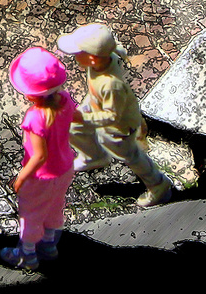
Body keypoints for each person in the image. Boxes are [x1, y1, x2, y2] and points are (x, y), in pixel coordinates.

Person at [59, 22, 174, 208]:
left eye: (78, 53)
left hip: (119, 128)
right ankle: (94, 156)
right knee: (74, 128)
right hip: (98, 106)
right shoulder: (102, 62)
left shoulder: (111, 85)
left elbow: (113, 116)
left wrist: (85, 118)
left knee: (132, 157)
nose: (74, 57)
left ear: (93, 58)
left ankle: (158, 185)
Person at [0, 46, 80, 269]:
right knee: (55, 206)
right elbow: (78, 117)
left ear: (29, 93)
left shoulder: (34, 117)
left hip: (41, 177)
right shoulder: (64, 99)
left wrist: (20, 179)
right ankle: (49, 245)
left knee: (31, 214)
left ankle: (27, 256)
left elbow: (39, 156)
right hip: (65, 168)